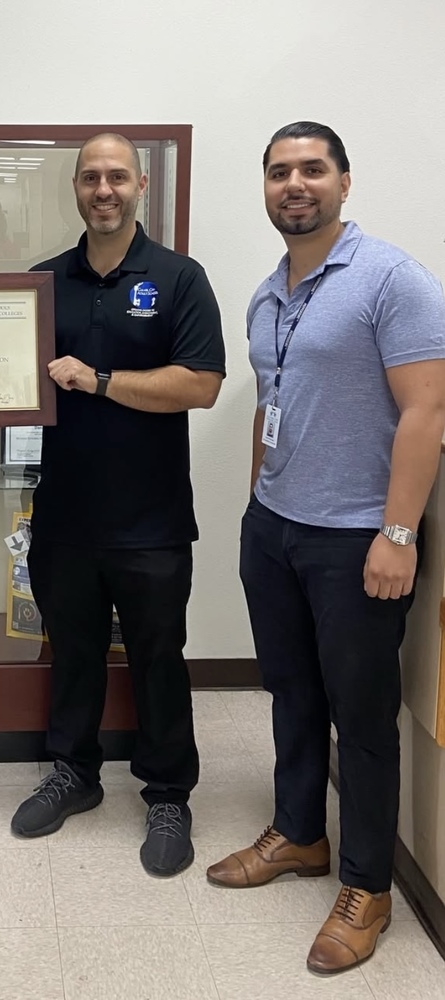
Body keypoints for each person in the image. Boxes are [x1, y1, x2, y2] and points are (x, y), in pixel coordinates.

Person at [0, 133, 225, 876]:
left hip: (152, 521)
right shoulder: (42, 284)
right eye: (89, 178)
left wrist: (100, 379)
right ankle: (73, 773)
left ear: (139, 184)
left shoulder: (177, 278)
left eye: (115, 177)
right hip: (64, 516)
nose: (103, 190)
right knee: (69, 654)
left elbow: (200, 385)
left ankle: (167, 793)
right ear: (75, 188)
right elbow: (12, 382)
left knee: (157, 660)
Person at [206, 122, 445, 975]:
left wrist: (396, 533)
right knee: (290, 694)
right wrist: (252, 509)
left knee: (361, 716)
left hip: (355, 538)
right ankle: (299, 834)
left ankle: (366, 886)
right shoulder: (267, 293)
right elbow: (273, 408)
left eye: (311, 169)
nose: (293, 184)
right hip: (273, 531)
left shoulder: (391, 280)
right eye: (278, 172)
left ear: (344, 182)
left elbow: (426, 411)